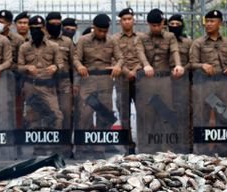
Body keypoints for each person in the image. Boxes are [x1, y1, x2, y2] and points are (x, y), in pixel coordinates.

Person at [73, 13, 123, 158]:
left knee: (105, 114)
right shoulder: (83, 40)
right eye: (100, 30)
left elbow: (120, 58)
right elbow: (76, 58)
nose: (102, 33)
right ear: (94, 28)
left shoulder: (112, 41)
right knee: (85, 115)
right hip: (88, 80)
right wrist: (80, 65)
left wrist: (118, 66)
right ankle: (81, 148)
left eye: (105, 31)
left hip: (105, 81)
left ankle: (99, 149)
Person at [189, 10, 227, 156]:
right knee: (201, 116)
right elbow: (192, 63)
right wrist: (202, 65)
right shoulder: (198, 42)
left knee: (225, 115)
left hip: (223, 84)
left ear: (220, 23)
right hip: (204, 84)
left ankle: (224, 150)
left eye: (212, 21)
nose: (208, 24)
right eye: (207, 21)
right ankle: (201, 150)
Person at [136, 9, 185, 153]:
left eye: (158, 25)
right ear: (148, 24)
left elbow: (175, 51)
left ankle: (167, 146)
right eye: (153, 25)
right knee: (148, 112)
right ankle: (147, 147)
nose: (156, 28)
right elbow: (140, 53)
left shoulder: (170, 37)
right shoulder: (141, 38)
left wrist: (178, 64)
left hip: (164, 80)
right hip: (148, 80)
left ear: (163, 23)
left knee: (166, 112)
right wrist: (146, 65)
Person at [18, 15, 64, 155]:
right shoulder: (24, 47)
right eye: (32, 28)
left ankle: (54, 147)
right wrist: (26, 67)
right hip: (31, 87)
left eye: (38, 28)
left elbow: (61, 64)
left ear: (44, 28)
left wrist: (56, 67)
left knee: (56, 116)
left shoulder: (53, 46)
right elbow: (18, 67)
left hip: (48, 87)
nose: (35, 31)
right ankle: (38, 149)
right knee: (34, 118)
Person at [112, 8, 147, 153]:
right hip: (122, 79)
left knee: (143, 111)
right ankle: (128, 145)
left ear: (134, 20)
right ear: (120, 21)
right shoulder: (114, 39)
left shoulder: (142, 37)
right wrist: (127, 71)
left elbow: (146, 56)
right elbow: (113, 57)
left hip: (140, 79)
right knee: (124, 113)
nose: (127, 21)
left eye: (129, 19)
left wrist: (135, 70)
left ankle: (144, 143)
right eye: (124, 19)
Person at [45, 12, 74, 143]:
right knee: (47, 114)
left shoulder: (67, 42)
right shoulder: (41, 40)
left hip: (64, 83)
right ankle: (47, 144)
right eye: (53, 24)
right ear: (47, 25)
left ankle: (65, 144)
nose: (56, 26)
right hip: (45, 84)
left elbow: (74, 64)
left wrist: (76, 84)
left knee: (66, 113)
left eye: (58, 24)